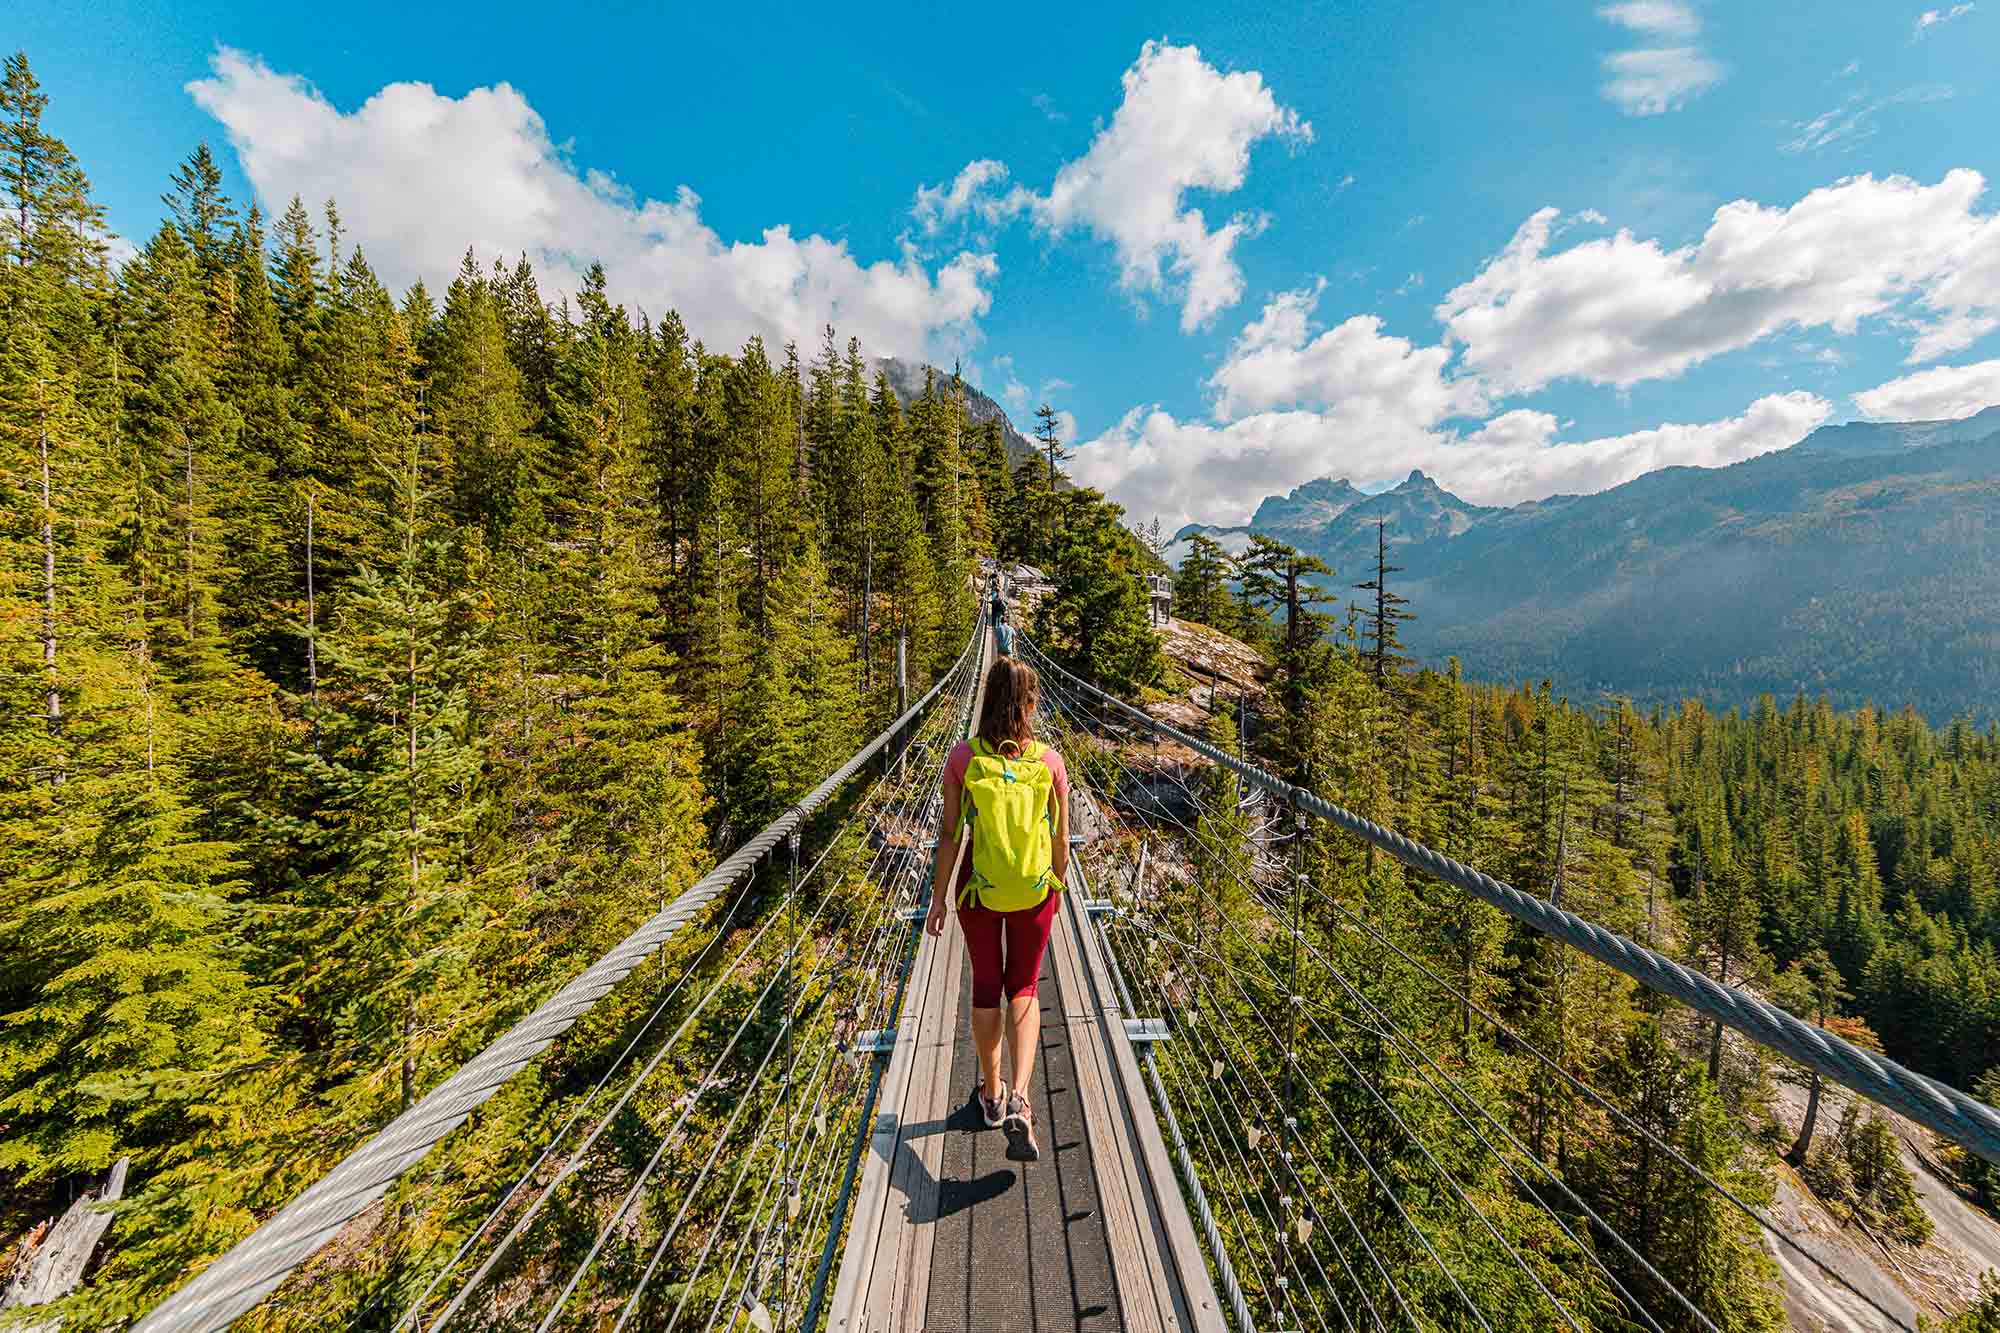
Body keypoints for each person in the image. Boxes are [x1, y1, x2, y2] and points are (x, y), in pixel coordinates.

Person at [928, 658, 1070, 1162]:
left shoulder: (963, 758)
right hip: (1033, 889)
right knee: (1024, 986)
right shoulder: (1050, 762)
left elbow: (950, 834)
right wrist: (1057, 884)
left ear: (986, 698)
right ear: (1031, 705)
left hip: (978, 889)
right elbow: (1061, 839)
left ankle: (991, 1095)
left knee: (987, 985)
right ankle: (1022, 1099)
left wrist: (938, 898)